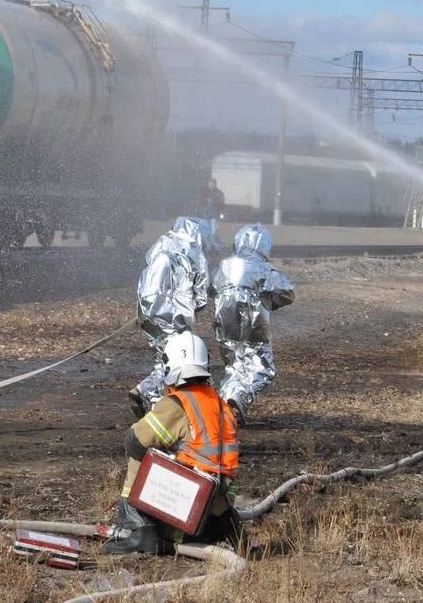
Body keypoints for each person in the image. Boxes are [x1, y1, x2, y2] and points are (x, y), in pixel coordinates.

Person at [104, 331, 240, 555]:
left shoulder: (179, 403)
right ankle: (225, 527)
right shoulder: (218, 403)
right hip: (216, 508)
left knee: (141, 453)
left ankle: (140, 529)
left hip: (189, 507)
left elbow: (135, 441)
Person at [130, 217, 215, 415]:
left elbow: (146, 280)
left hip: (149, 313)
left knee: (164, 357)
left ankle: (145, 390)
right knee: (177, 362)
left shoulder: (160, 244)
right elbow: (201, 296)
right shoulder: (196, 253)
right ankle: (156, 409)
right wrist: (192, 309)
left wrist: (144, 311)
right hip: (176, 319)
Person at [211, 224, 295, 425]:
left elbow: (211, 288)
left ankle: (222, 410)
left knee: (234, 366)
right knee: (262, 367)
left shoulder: (224, 265)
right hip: (253, 318)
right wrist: (269, 302)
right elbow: (288, 292)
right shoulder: (263, 268)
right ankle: (238, 398)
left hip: (224, 319)